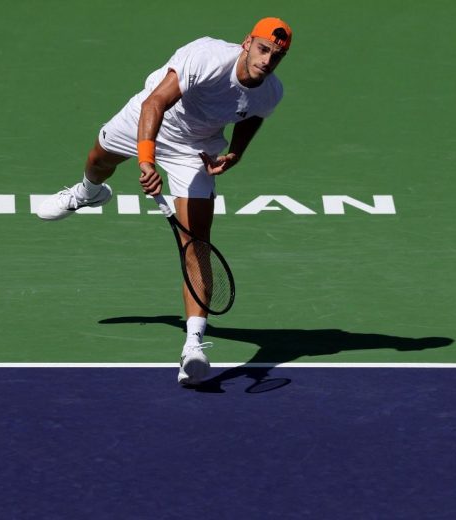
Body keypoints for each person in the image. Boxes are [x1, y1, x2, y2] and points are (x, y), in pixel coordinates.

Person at [37, 17, 293, 386]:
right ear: (247, 42)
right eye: (264, 49)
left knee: (196, 242)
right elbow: (156, 102)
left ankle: (194, 347)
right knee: (98, 160)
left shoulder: (271, 91)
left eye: (277, 56)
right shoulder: (205, 56)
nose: (268, 61)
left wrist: (235, 151)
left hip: (195, 150)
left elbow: (252, 114)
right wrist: (145, 161)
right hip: (150, 119)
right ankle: (88, 193)